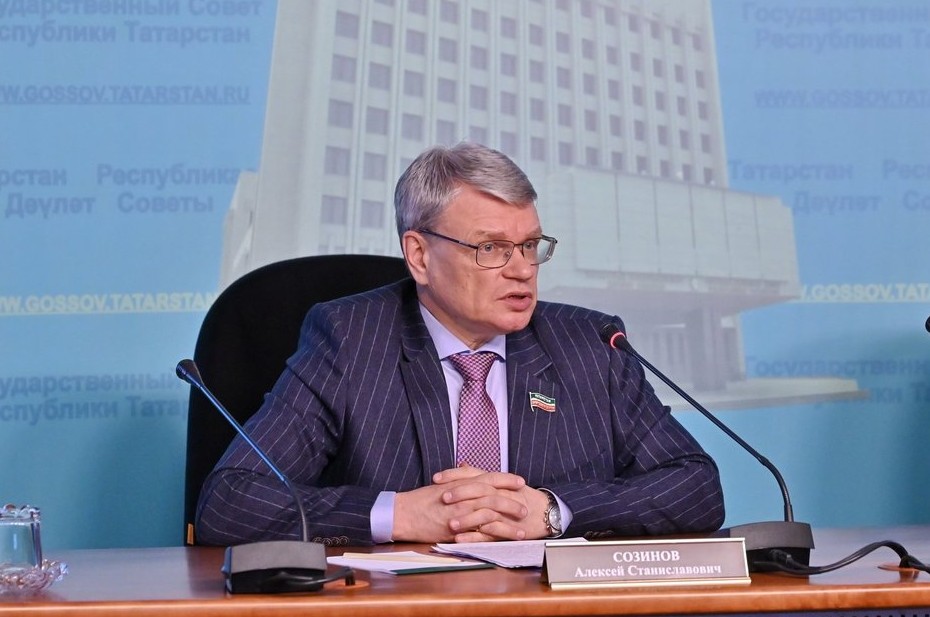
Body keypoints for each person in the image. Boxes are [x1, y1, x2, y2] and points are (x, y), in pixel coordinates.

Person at [196, 142, 725, 546]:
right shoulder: (351, 339)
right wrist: (401, 515)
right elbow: (229, 502)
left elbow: (696, 487)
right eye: (491, 248)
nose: (522, 269)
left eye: (530, 246)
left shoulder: (591, 345)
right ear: (419, 256)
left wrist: (551, 511)